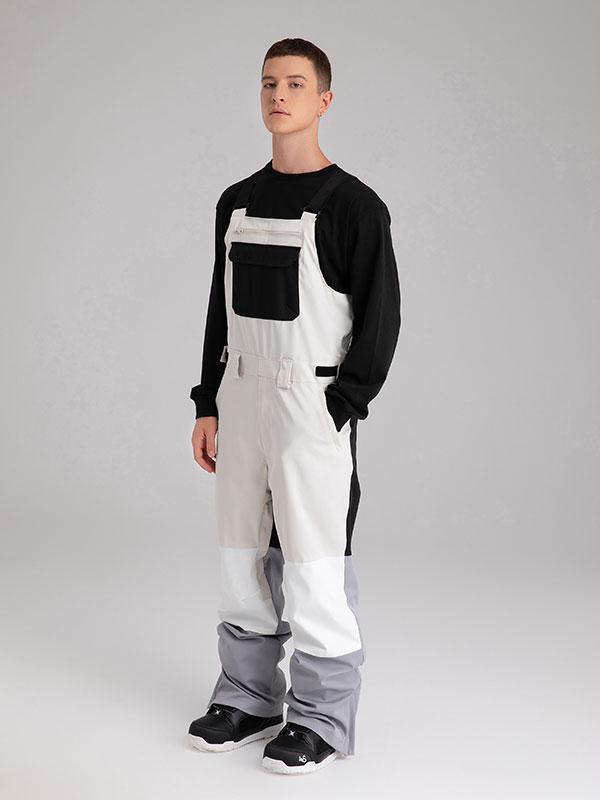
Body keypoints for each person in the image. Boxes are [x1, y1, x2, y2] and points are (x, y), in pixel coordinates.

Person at [187, 37, 401, 774]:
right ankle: (247, 698)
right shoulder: (236, 201)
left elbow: (380, 320)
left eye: (296, 84)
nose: (279, 95)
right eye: (269, 83)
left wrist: (342, 405)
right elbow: (218, 312)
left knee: (313, 561)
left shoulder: (355, 207)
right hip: (240, 396)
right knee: (240, 554)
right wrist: (207, 402)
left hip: (311, 402)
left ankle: (320, 717)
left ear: (324, 100)